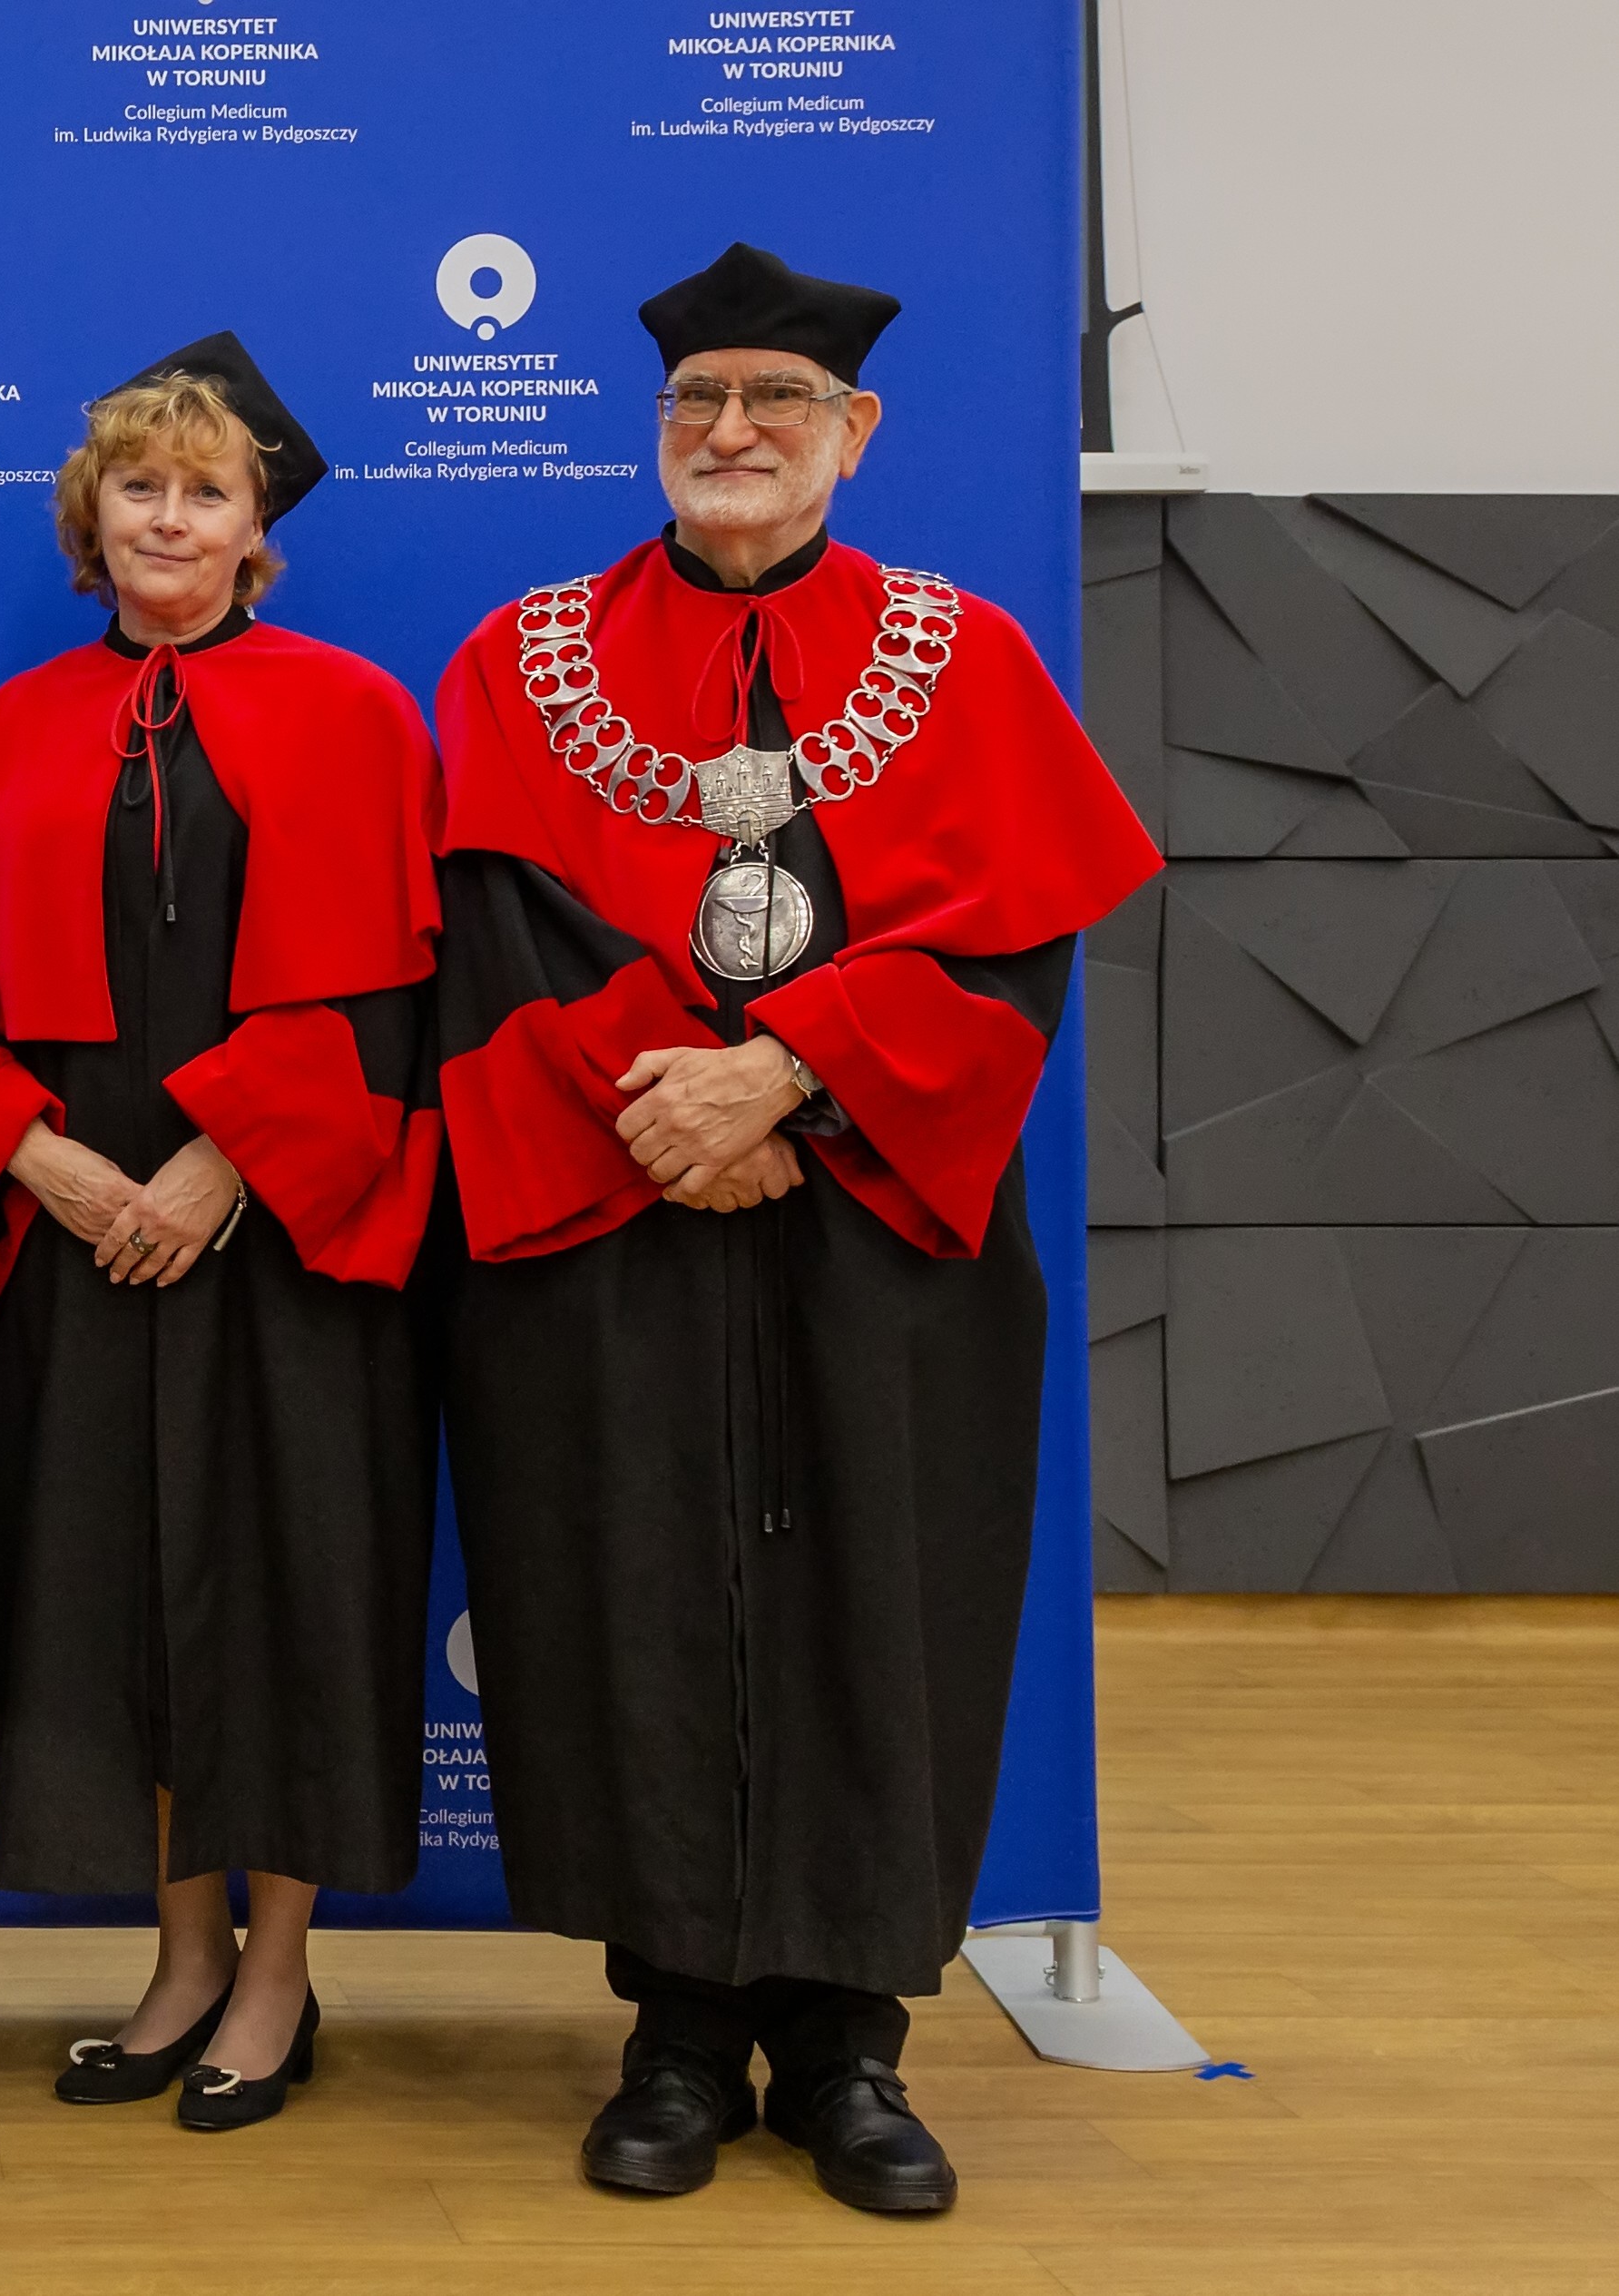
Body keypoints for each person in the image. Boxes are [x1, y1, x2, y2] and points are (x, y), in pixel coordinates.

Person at [425, 243, 1160, 2212]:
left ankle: (849, 2048)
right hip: (617, 1212)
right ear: (657, 424)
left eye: (775, 400)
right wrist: (678, 1109)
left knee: (880, 1592)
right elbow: (500, 936)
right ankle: (672, 2031)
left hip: (880, 1226)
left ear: (855, 430)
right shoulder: (523, 660)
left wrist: (793, 1076)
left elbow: (1008, 947)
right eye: (697, 399)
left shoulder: (961, 656)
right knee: (629, 1589)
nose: (731, 430)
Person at [0, 336, 444, 2133]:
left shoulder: (356, 714)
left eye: (206, 489)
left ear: (257, 525)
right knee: (112, 1593)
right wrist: (38, 1160)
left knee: (292, 1584)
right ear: (89, 517)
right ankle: (183, 1957)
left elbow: (400, 1001)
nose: (169, 517)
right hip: (74, 1240)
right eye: (139, 486)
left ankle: (277, 1971)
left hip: (286, 1238)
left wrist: (229, 1162)